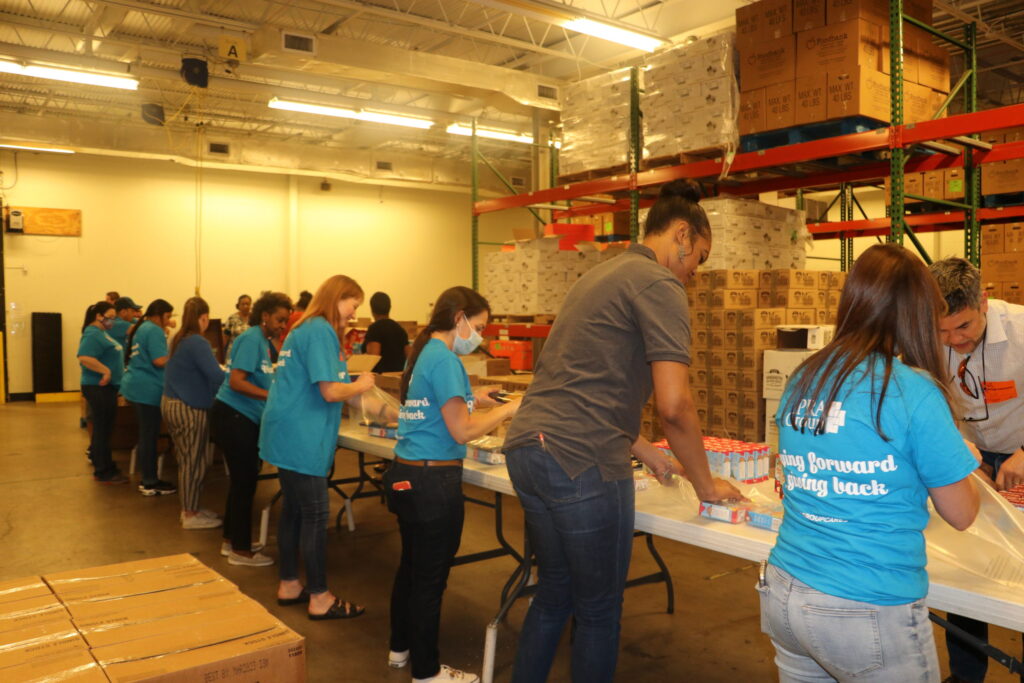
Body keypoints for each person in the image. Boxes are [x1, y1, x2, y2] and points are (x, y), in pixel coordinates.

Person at [502, 179, 742, 682]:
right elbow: (675, 406)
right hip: (581, 459)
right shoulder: (659, 284)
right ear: (681, 234)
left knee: (554, 594)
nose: (694, 272)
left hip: (530, 447)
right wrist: (706, 484)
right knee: (598, 611)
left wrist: (646, 451)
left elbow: (580, 381)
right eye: (698, 256)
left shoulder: (602, 275)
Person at [759, 244, 981, 682]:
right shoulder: (911, 391)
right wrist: (960, 461)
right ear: (916, 313)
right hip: (866, 606)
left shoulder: (804, 375)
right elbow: (961, 513)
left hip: (786, 589)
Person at [385, 287, 520, 683]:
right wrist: (510, 408)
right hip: (433, 483)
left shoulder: (424, 351)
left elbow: (439, 405)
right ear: (459, 317)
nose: (478, 336)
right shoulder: (444, 359)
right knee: (429, 581)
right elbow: (461, 430)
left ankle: (400, 649)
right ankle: (427, 673)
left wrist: (474, 396)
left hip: (408, 475)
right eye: (477, 327)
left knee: (410, 569)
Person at [929, 256, 1024, 683]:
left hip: (1019, 451)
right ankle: (967, 675)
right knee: (969, 564)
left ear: (983, 302)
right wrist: (958, 453)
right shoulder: (930, 338)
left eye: (963, 327)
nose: (954, 341)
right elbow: (927, 398)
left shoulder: (1021, 330)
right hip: (969, 454)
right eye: (943, 331)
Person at [261, 275, 378, 620]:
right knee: (314, 514)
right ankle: (320, 597)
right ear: (337, 298)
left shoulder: (304, 329)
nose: (354, 314)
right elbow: (330, 391)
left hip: (286, 432)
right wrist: (362, 384)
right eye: (353, 305)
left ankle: (289, 584)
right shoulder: (320, 331)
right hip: (301, 435)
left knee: (295, 512)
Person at [210, 291, 292, 567]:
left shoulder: (265, 343)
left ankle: (231, 540)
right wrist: (271, 397)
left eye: (286, 321)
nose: (283, 325)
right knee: (244, 484)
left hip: (242, 418)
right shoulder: (251, 339)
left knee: (241, 483)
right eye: (279, 320)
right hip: (234, 417)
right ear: (264, 316)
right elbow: (236, 381)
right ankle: (241, 551)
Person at [162, 297, 226, 530]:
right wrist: (235, 377)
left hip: (172, 403)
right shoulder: (197, 341)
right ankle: (189, 513)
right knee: (193, 462)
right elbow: (216, 375)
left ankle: (193, 506)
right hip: (188, 407)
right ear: (203, 317)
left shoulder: (178, 338)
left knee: (187, 459)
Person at [121, 298, 177, 497]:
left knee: (147, 435)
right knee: (149, 436)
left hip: (137, 386)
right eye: (168, 317)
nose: (168, 321)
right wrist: (179, 358)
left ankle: (149, 478)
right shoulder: (153, 330)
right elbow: (159, 360)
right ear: (159, 315)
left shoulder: (142, 327)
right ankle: (150, 481)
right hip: (147, 389)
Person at [78, 301, 127, 484]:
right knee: (102, 429)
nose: (112, 321)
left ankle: (107, 465)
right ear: (99, 316)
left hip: (107, 387)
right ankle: (102, 470)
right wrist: (105, 371)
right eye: (110, 317)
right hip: (97, 386)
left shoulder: (101, 333)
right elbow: (84, 357)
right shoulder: (92, 333)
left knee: (105, 429)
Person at [364, 291, 410, 373]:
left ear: (372, 310)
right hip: (398, 377)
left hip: (380, 379)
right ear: (390, 307)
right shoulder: (400, 329)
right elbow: (410, 357)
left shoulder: (374, 328)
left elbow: (373, 358)